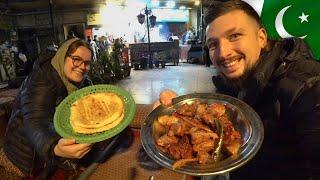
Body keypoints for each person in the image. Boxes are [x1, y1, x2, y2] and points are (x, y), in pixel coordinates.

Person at [155, 0, 320, 179]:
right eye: (213, 44)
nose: (223, 52)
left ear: (261, 38)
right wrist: (180, 117)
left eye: (234, 36)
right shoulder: (231, 86)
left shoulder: (307, 87)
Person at [0, 38, 119, 178]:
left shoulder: (81, 82)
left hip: (51, 157)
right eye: (76, 59)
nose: (82, 66)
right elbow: (35, 120)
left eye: (87, 63)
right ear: (63, 56)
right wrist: (53, 146)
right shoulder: (41, 80)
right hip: (25, 155)